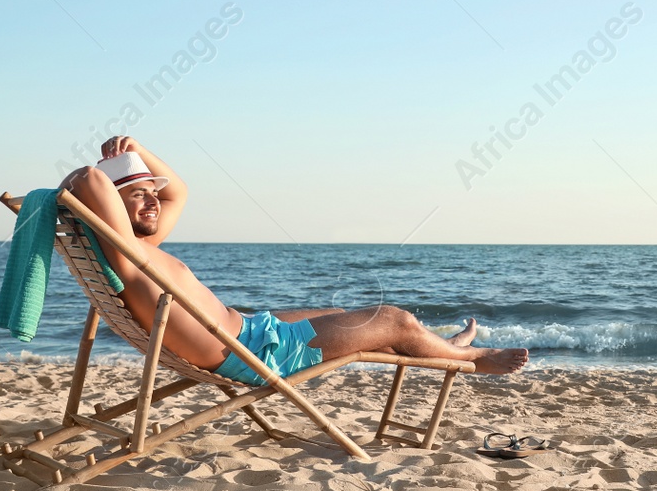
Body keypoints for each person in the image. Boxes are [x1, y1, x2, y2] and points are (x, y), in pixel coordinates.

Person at [59, 136, 528, 382]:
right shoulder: (124, 255)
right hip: (259, 355)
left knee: (345, 317)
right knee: (394, 319)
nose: (153, 202)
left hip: (253, 330)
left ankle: (445, 346)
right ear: (110, 211)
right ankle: (476, 357)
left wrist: (134, 151)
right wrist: (105, 169)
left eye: (149, 194)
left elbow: (178, 190)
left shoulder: (138, 251)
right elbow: (90, 183)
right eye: (137, 196)